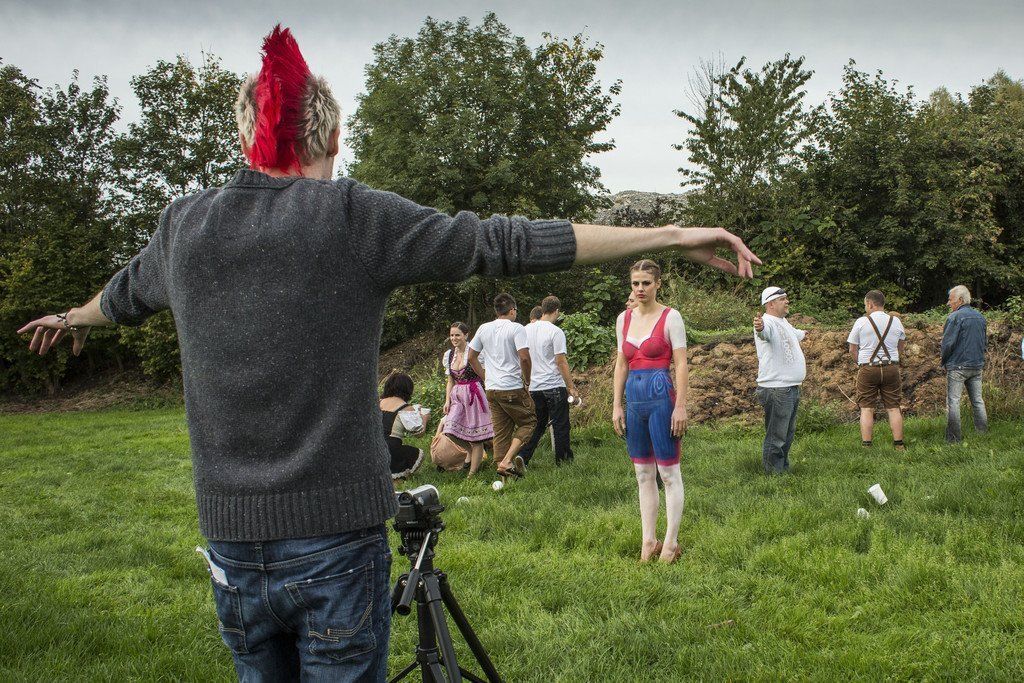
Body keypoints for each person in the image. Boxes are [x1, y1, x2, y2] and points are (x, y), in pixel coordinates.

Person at [16, 24, 761, 679]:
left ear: (248, 137)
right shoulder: (349, 216)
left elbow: (122, 296)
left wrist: (70, 316)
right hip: (335, 543)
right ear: (332, 138)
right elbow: (501, 242)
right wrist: (671, 235)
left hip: (231, 547)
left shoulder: (184, 227)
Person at [612, 260, 689, 563]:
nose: (640, 288)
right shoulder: (623, 319)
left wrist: (680, 406)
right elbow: (621, 363)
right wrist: (616, 405)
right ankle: (648, 541)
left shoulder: (671, 317)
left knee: (668, 473)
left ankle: (670, 543)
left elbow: (681, 364)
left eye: (646, 283)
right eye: (635, 283)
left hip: (662, 400)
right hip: (634, 402)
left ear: (658, 283)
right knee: (643, 473)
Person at [467, 293, 535, 477]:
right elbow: (524, 358)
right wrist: (527, 380)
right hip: (511, 386)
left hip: (492, 389)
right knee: (529, 422)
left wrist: (485, 377)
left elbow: (471, 357)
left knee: (501, 431)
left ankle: (504, 473)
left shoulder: (484, 328)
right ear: (512, 310)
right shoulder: (516, 328)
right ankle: (507, 461)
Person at [519, 295, 579, 467]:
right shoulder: (555, 331)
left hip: (534, 386)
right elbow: (561, 361)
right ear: (557, 311)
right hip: (554, 385)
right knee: (561, 424)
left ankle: (523, 456)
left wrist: (526, 381)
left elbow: (522, 358)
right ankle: (563, 461)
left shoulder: (525, 330)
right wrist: (570, 386)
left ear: (542, 309)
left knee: (537, 425)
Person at [753, 286, 807, 474]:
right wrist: (759, 327)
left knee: (787, 434)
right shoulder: (767, 322)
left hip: (790, 387)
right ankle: (773, 475)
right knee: (777, 435)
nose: (787, 301)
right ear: (770, 304)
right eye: (783, 299)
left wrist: (806, 333)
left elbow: (797, 334)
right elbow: (763, 332)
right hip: (777, 388)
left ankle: (782, 468)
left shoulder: (783, 322)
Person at [847, 290, 906, 450]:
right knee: (893, 407)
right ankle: (899, 445)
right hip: (891, 367)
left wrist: (861, 363)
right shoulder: (896, 321)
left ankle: (867, 445)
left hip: (868, 368)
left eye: (865, 305)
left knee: (867, 408)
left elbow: (852, 349)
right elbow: (901, 346)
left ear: (870, 304)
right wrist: (892, 360)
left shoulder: (861, 322)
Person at [442, 322, 493, 476]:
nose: (454, 338)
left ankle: (472, 474)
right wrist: (447, 400)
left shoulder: (475, 352)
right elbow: (450, 381)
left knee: (476, 436)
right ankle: (470, 452)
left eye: (457, 335)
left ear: (466, 335)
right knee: (450, 430)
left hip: (474, 394)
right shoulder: (449, 355)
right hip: (457, 395)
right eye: (452, 335)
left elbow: (485, 374)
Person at [942, 285, 988, 443]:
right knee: (978, 401)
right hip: (976, 365)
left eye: (951, 300)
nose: (949, 303)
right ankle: (982, 434)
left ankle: (954, 439)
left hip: (958, 366)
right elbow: (984, 342)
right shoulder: (980, 317)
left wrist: (944, 361)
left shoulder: (954, 317)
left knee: (953, 402)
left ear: (960, 300)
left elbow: (948, 344)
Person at [380, 372, 428, 479]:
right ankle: (397, 476)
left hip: (373, 447)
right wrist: (424, 417)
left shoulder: (378, 402)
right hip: (390, 450)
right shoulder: (405, 408)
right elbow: (418, 433)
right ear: (408, 390)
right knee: (417, 453)